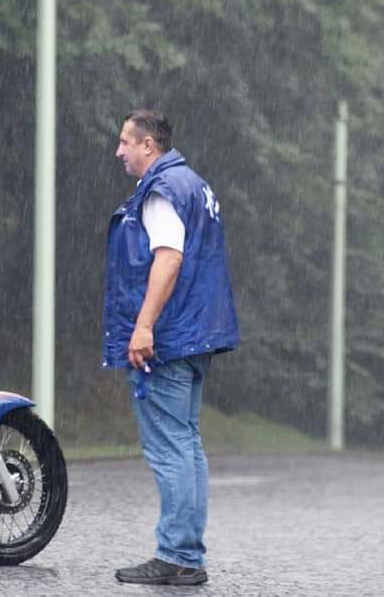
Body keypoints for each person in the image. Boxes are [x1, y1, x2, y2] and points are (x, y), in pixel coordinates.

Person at [102, 109, 239, 586]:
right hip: (197, 331)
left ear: (148, 146)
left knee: (170, 447)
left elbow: (169, 258)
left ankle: (178, 553)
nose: (119, 151)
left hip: (170, 337)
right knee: (187, 445)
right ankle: (185, 553)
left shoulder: (162, 190)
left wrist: (144, 327)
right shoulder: (195, 184)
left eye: (125, 142)